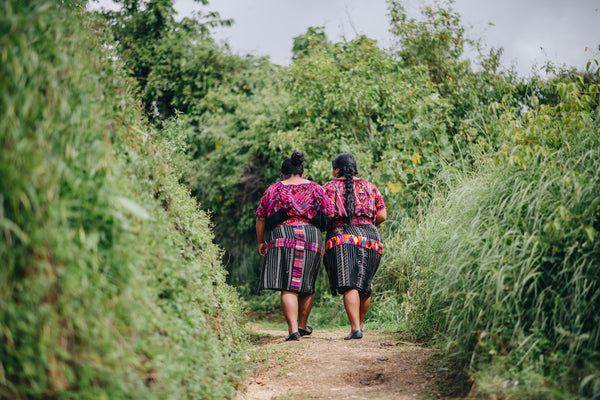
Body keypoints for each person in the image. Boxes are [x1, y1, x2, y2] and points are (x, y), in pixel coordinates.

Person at [255, 151, 335, 341]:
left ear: (283, 174)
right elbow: (330, 213)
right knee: (307, 284)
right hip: (310, 236)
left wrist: (261, 241)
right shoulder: (316, 188)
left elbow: (260, 217)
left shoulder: (273, 189)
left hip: (283, 236)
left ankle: (292, 330)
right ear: (302, 172)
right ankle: (302, 325)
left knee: (288, 286)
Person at [323, 153, 387, 340]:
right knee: (364, 285)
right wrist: (366, 224)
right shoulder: (370, 187)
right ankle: (359, 325)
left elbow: (327, 214)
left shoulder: (329, 187)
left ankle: (354, 328)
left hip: (342, 236)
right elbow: (382, 216)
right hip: (371, 237)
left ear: (336, 170)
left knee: (349, 283)